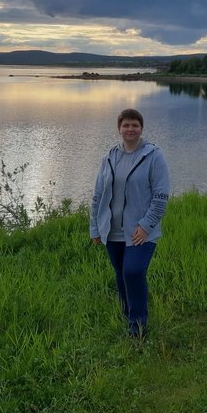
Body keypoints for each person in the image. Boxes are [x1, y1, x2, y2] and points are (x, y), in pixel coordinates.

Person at [90, 108, 170, 338]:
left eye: (135, 125)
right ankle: (127, 314)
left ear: (141, 128)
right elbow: (97, 195)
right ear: (119, 129)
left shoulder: (154, 156)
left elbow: (161, 196)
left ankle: (138, 326)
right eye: (126, 125)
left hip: (139, 231)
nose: (130, 129)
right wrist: (95, 228)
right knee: (121, 273)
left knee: (133, 272)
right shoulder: (109, 157)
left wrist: (146, 226)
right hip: (112, 231)